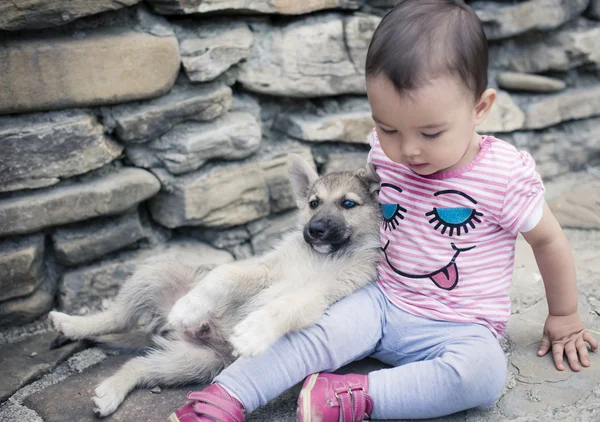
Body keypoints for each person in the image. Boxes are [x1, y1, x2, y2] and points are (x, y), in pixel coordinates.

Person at [169, 1, 598, 421]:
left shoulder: (504, 175)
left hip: (460, 324)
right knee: (309, 332)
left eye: (431, 132)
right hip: (378, 300)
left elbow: (549, 239)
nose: (408, 150)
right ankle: (226, 396)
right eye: (388, 128)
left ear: (480, 108)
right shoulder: (386, 156)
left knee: (483, 376)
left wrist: (563, 315)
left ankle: (350, 397)